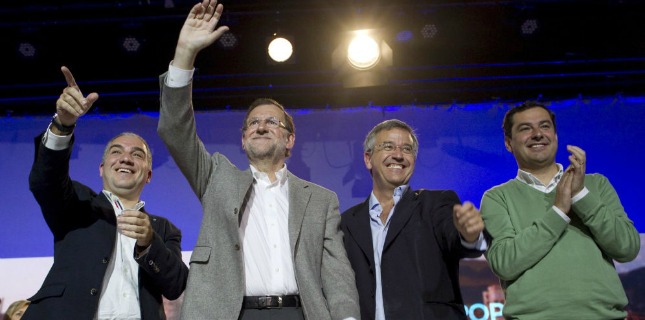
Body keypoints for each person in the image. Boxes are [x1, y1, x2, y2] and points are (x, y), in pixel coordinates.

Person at [156, 1, 360, 319]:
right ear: (243, 138)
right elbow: (175, 131)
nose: (261, 125)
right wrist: (185, 54)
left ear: (290, 140)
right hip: (233, 314)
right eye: (252, 122)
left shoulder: (321, 201)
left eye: (272, 122)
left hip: (299, 313)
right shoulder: (216, 178)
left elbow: (336, 275)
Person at [25, 66, 189, 320]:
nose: (126, 158)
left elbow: (176, 284)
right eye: (116, 151)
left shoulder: (164, 230)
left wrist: (149, 243)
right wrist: (63, 124)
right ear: (102, 169)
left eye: (137, 155)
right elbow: (45, 180)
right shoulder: (77, 204)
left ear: (148, 175)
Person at [480, 101, 640, 319]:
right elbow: (504, 263)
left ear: (555, 135)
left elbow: (627, 248)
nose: (538, 134)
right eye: (525, 128)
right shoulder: (497, 197)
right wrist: (558, 212)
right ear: (508, 143)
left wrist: (581, 195)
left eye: (545, 126)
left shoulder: (597, 184)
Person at [341, 119, 486, 319]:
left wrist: (469, 234)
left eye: (407, 149)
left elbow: (456, 239)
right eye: (388, 147)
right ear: (368, 159)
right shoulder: (347, 222)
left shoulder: (436, 204)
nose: (398, 155)